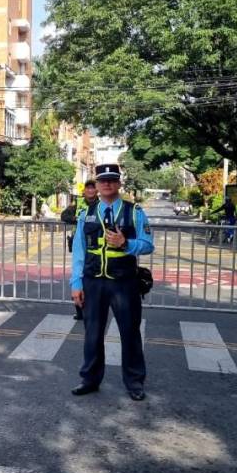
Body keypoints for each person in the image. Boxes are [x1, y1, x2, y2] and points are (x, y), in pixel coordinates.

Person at [70, 164, 155, 401]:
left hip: (124, 283)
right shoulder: (85, 213)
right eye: (102, 180)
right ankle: (90, 379)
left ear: (119, 184)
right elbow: (79, 250)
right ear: (96, 185)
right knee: (92, 334)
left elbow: (148, 244)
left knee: (129, 333)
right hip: (93, 282)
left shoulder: (134, 211)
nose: (107, 184)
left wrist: (126, 243)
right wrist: (76, 284)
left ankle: (135, 382)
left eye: (112, 180)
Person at [62, 181, 99, 321]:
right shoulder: (78, 204)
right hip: (79, 243)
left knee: (92, 278)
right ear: (84, 191)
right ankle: (80, 310)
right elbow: (64, 216)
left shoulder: (100, 204)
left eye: (92, 188)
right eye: (88, 188)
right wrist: (78, 220)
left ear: (96, 191)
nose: (90, 191)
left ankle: (92, 308)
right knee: (78, 274)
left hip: (95, 246)